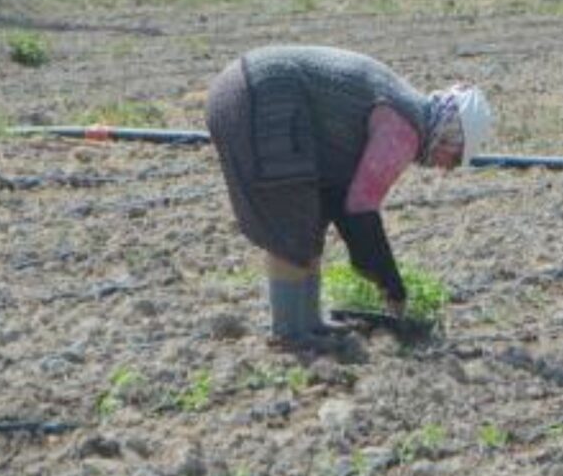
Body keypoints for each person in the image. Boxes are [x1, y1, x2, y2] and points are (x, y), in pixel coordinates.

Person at [207, 44, 494, 351]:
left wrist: (379, 271)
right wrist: (391, 283)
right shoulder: (404, 131)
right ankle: (290, 332)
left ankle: (308, 323)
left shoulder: (407, 106)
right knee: (289, 220)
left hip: (252, 87)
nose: (447, 168)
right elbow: (360, 208)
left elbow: (343, 201)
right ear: (449, 134)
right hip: (263, 97)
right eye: (455, 156)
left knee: (308, 219)